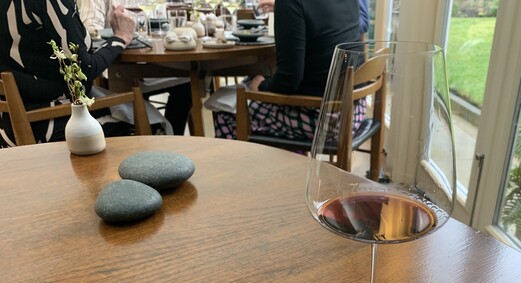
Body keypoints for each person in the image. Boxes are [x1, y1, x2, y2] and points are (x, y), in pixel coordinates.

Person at [0, 0, 150, 146]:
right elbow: (83, 70)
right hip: (52, 123)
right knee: (144, 121)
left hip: (7, 124)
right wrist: (121, 37)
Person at [214, 0, 363, 140]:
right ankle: (291, 154)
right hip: (355, 109)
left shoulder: (290, 3)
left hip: (325, 119)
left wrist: (262, 85)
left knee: (225, 113)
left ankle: (284, 157)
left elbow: (289, 80)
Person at [77, 0, 192, 135]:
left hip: (157, 64)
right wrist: (119, 35)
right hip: (119, 68)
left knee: (188, 79)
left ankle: (171, 137)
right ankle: (153, 134)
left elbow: (164, 25)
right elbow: (90, 31)